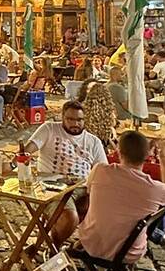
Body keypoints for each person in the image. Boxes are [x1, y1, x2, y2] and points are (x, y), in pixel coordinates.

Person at [77, 131, 165, 271]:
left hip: (91, 241)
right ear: (147, 155)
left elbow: (89, 192)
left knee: (122, 215)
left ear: (119, 152)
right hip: (127, 253)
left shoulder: (100, 170)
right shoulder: (156, 189)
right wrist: (164, 164)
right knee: (147, 219)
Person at [23, 101, 108, 247]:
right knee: (70, 218)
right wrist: (18, 159)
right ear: (62, 117)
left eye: (79, 120)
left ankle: (77, 247)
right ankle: (54, 250)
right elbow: (28, 148)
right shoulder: (49, 128)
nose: (75, 123)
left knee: (105, 213)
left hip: (82, 188)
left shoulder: (93, 141)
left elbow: (104, 171)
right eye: (71, 119)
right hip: (52, 188)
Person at [82, 82, 117, 148]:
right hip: (102, 147)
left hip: (86, 145)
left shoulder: (83, 111)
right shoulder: (109, 111)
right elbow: (113, 124)